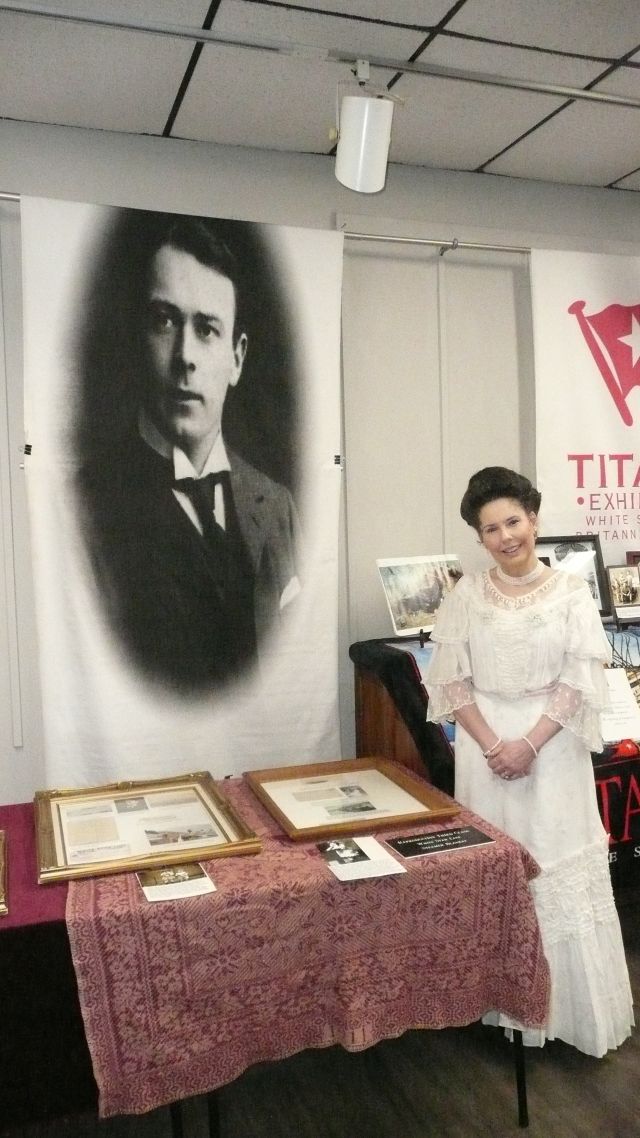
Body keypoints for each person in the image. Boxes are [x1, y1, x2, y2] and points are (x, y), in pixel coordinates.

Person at [424, 466, 633, 1057]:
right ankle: (500, 1009)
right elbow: (452, 682)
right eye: (490, 529)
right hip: (484, 751)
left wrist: (530, 744)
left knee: (554, 862)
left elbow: (578, 679)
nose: (505, 537)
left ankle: (566, 1013)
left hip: (553, 748)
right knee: (498, 868)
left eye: (513, 522)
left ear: (534, 520)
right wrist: (495, 745)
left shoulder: (570, 591)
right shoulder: (466, 594)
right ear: (479, 537)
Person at [77, 213, 301, 692]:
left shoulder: (275, 505)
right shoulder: (84, 507)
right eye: (164, 321)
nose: (185, 356)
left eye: (207, 329)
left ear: (237, 358)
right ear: (138, 338)